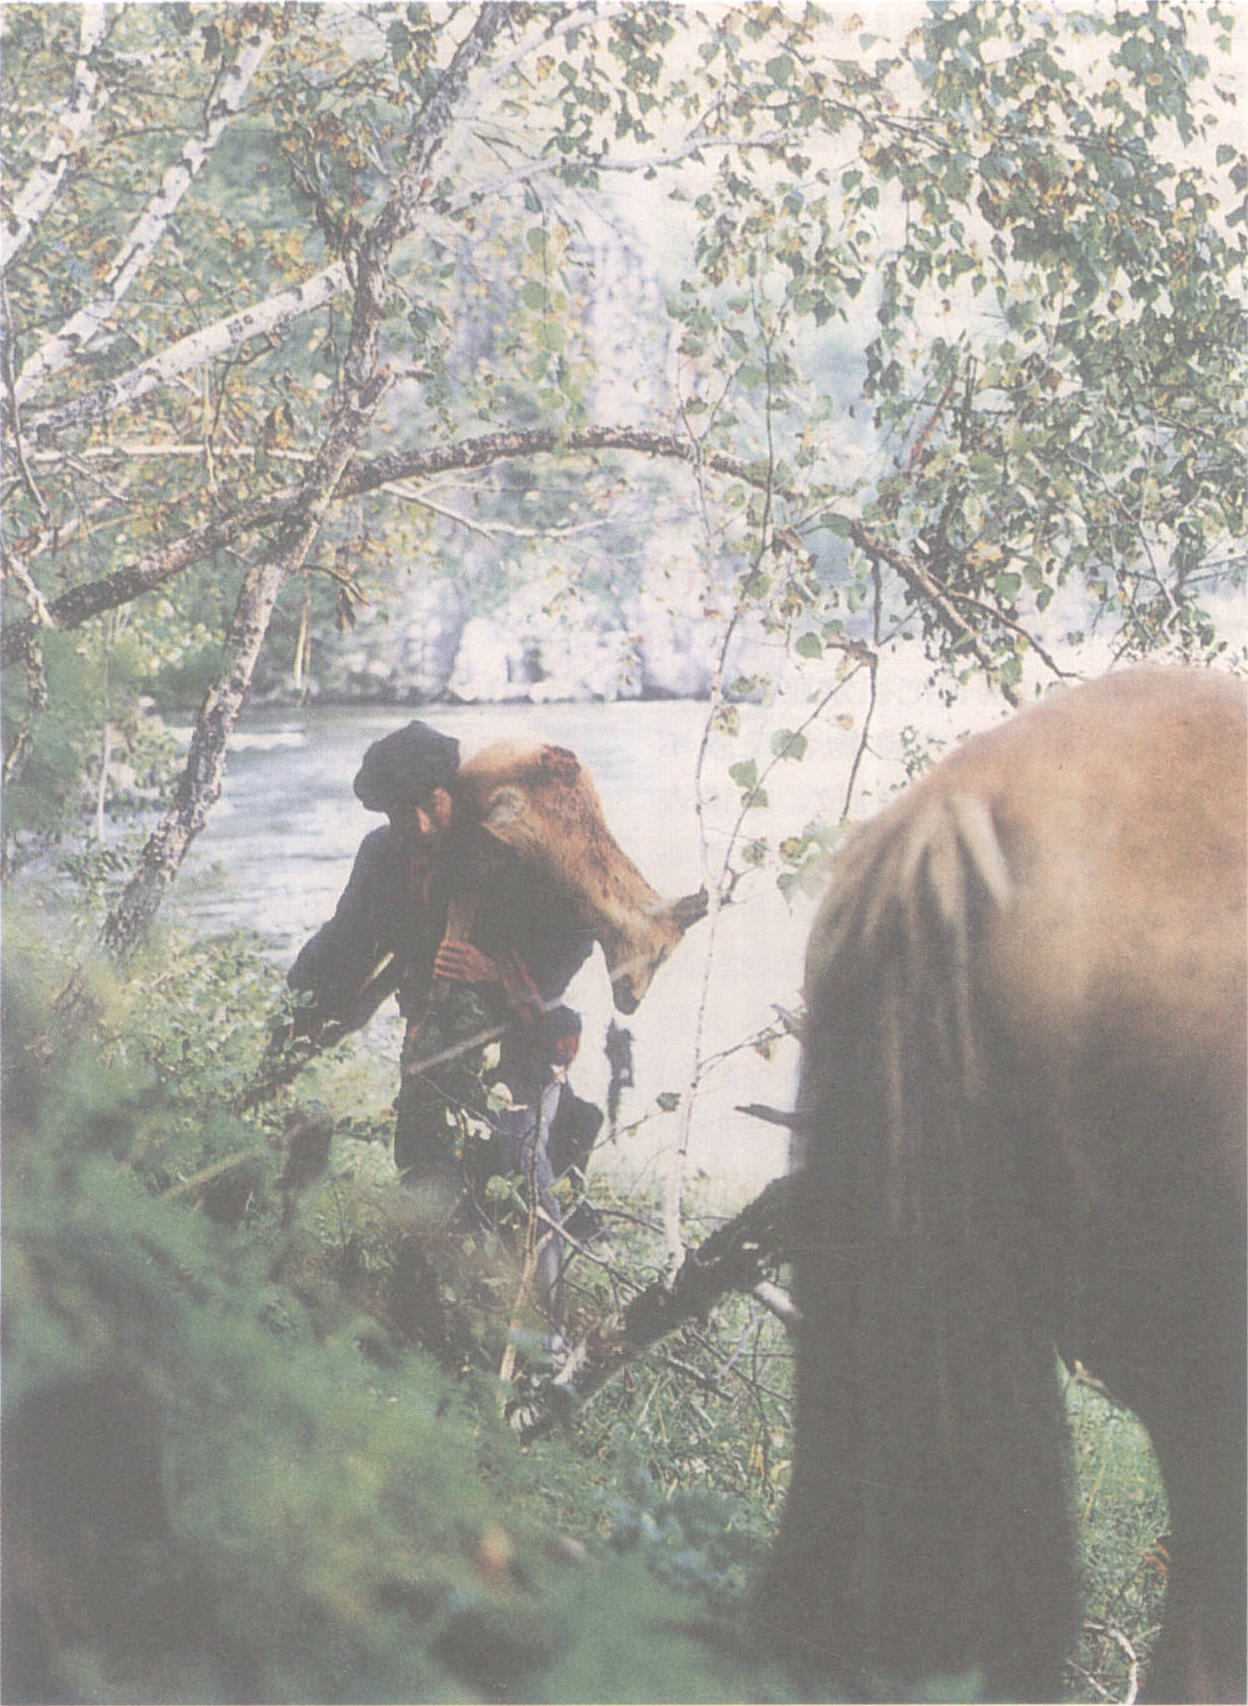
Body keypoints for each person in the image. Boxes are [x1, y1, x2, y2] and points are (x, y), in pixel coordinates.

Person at [282, 720, 601, 1330]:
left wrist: (498, 972)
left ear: (452, 791)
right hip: (429, 1052)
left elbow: (575, 930)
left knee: (522, 1192)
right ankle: (434, 1337)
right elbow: (343, 941)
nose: (421, 828)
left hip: (516, 1054)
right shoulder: (383, 856)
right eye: (404, 817)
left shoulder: (506, 847)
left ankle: (542, 1341)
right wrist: (293, 1021)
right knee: (426, 1186)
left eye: (430, 807)